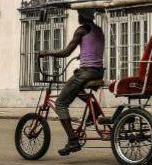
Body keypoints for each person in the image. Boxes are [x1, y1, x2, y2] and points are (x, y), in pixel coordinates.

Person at [39, 9, 104, 156]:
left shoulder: (81, 30)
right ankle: (94, 106)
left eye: (79, 15)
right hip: (98, 71)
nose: (78, 17)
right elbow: (93, 46)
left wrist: (46, 52)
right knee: (75, 84)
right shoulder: (98, 30)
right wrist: (83, 54)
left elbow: (66, 52)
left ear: (82, 16)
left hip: (86, 72)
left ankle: (73, 140)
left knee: (60, 103)